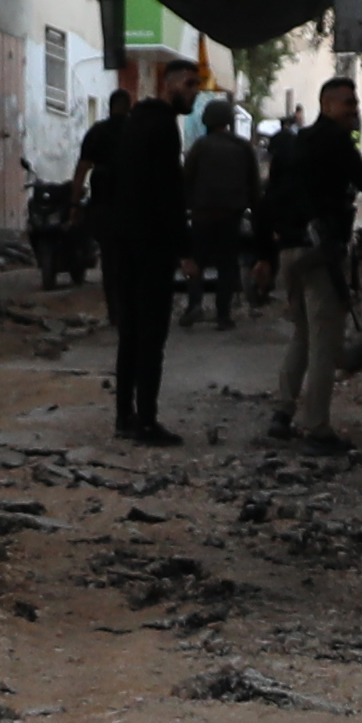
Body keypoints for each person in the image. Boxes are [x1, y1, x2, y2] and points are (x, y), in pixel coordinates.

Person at [259, 72, 362, 447]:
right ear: (327, 105)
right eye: (348, 102)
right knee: (323, 341)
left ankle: (282, 414)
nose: (354, 110)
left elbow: (268, 200)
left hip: (291, 252)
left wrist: (264, 254)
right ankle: (316, 427)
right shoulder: (334, 141)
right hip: (319, 254)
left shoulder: (292, 146)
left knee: (302, 333)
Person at [76, 51, 192, 440]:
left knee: (130, 334)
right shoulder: (163, 128)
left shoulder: (132, 127)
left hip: (125, 242)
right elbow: (169, 193)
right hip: (151, 246)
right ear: (170, 85)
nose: (194, 93)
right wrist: (184, 248)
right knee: (151, 335)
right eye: (189, 84)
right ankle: (146, 419)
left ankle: (125, 416)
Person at [176, 91, 258, 327]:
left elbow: (186, 181)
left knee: (197, 262)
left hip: (202, 215)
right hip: (232, 216)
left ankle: (194, 305)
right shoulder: (243, 148)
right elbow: (253, 186)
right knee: (227, 264)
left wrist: (186, 208)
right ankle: (223, 314)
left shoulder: (200, 147)